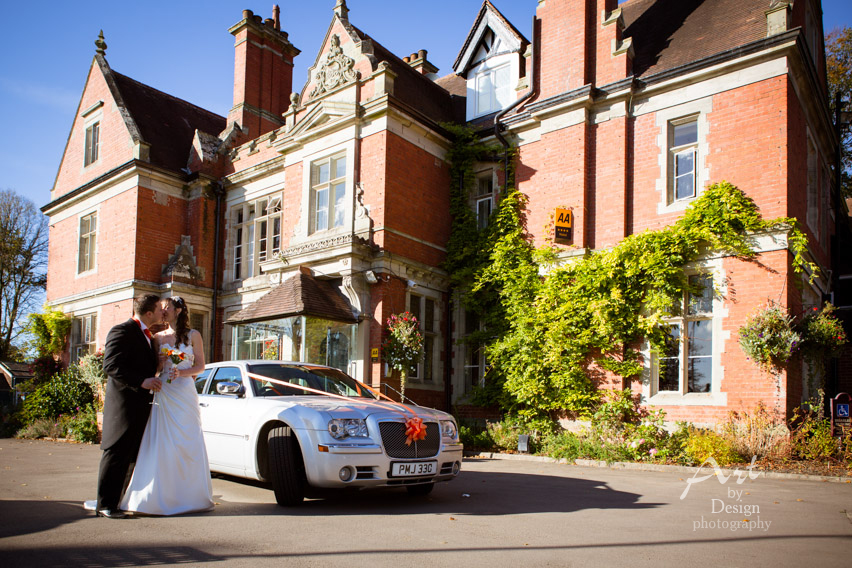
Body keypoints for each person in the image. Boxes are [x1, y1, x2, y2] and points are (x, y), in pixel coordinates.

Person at [119, 295, 214, 515]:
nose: (163, 311)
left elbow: (200, 366)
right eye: (161, 308)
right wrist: (160, 364)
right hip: (165, 391)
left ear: (178, 311)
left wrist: (182, 371)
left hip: (184, 393)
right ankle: (159, 496)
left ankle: (190, 496)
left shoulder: (193, 335)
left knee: (187, 440)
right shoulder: (157, 338)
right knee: (162, 441)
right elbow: (153, 371)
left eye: (167, 308)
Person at [96, 294, 164, 519]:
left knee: (130, 456)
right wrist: (141, 381)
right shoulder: (122, 330)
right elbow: (111, 365)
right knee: (116, 453)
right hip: (124, 405)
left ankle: (118, 502)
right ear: (148, 313)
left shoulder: (147, 336)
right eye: (158, 309)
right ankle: (105, 505)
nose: (162, 313)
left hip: (140, 405)